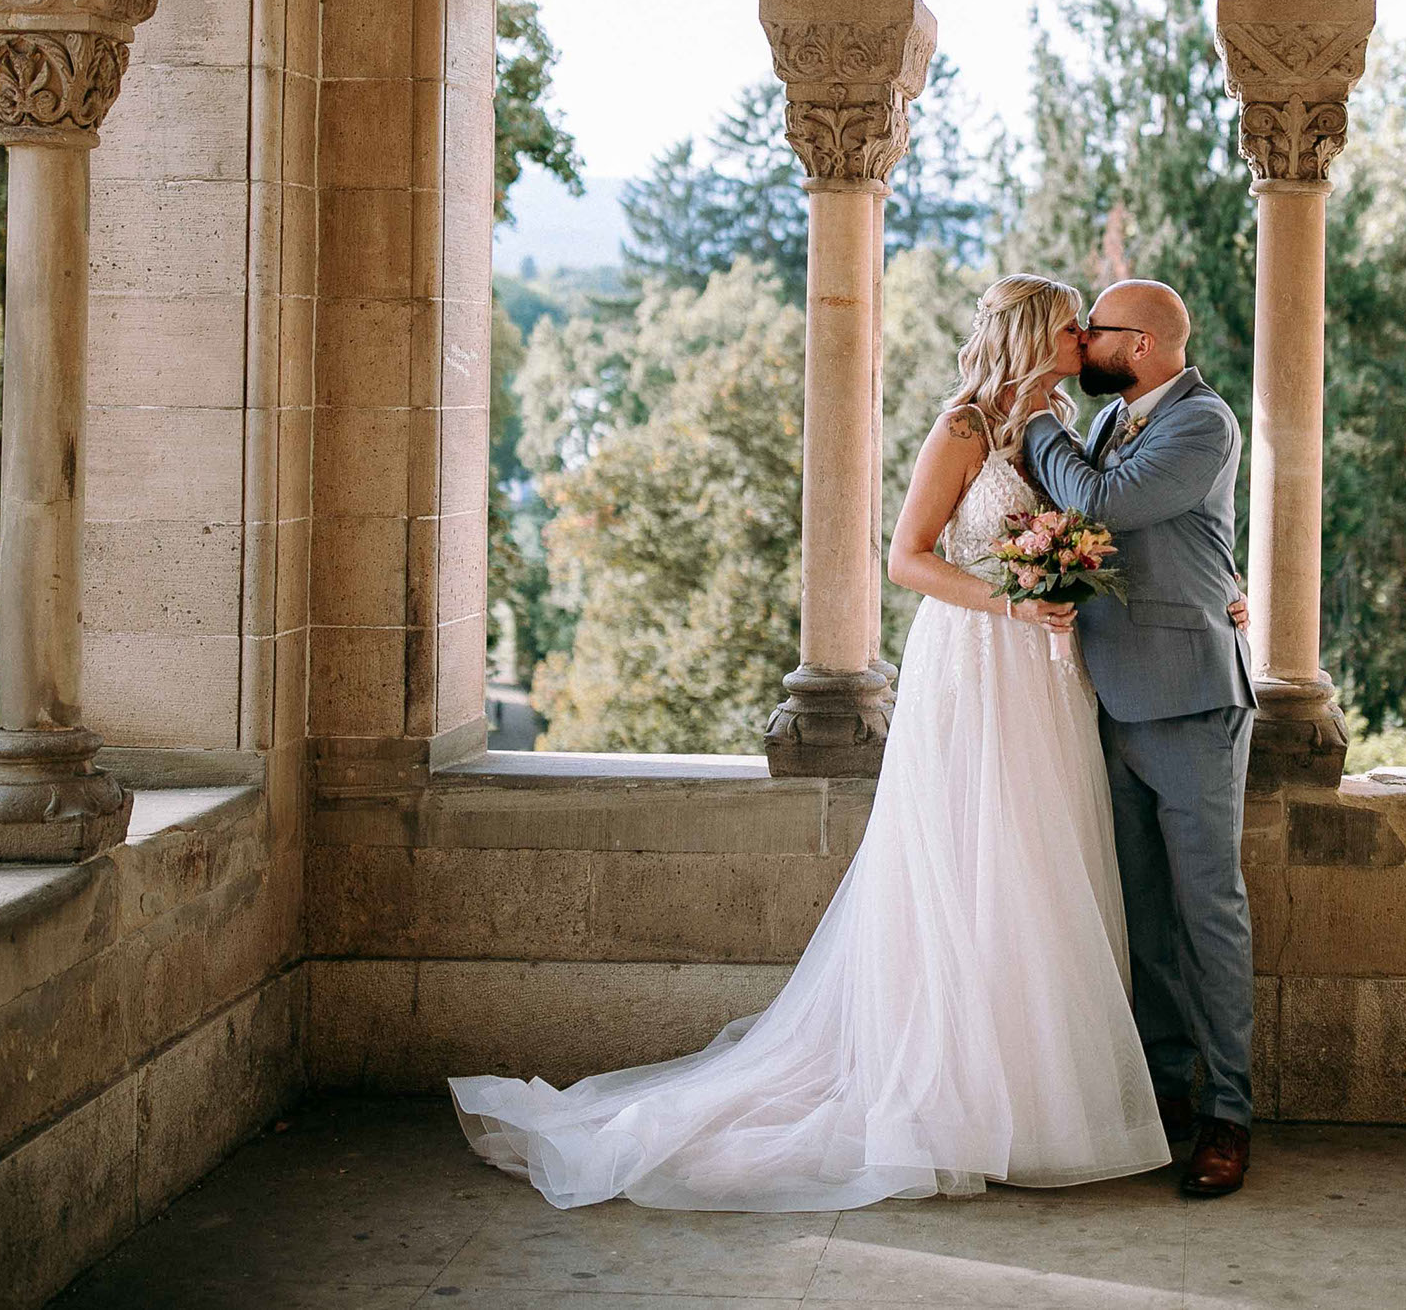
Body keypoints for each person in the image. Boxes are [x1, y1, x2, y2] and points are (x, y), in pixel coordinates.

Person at [448, 274, 1202, 1210]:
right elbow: (906, 557)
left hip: (1045, 679)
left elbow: (1131, 522)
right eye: (1067, 326)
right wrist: (1011, 596)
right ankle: (952, 1099)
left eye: (1088, 329)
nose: (1082, 339)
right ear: (1030, 336)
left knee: (1040, 867)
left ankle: (1035, 1104)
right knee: (965, 867)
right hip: (973, 665)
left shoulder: (1062, 429)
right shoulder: (964, 427)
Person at [1020, 279, 1258, 1198]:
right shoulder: (1120, 417)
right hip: (1108, 697)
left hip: (1193, 701)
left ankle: (1228, 1114)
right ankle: (1161, 1098)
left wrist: (1038, 420)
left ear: (1146, 345)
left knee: (1209, 914)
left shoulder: (1203, 421)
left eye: (1096, 331)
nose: (1081, 343)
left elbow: (1105, 506)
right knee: (1144, 918)